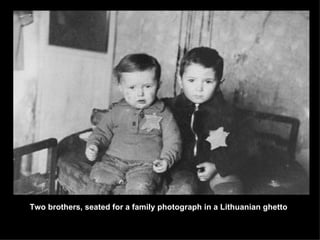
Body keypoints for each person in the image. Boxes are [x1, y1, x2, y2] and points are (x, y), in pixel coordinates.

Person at [164, 47, 255, 194]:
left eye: (208, 81)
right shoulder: (167, 108)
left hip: (218, 168)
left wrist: (217, 166)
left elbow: (247, 147)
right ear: (180, 80)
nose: (199, 88)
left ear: (219, 83)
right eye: (192, 80)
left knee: (231, 189)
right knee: (183, 189)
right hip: (182, 170)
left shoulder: (228, 113)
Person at [85, 53, 181, 194]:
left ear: (158, 85)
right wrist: (93, 145)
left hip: (146, 165)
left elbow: (174, 142)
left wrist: (166, 160)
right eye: (132, 88)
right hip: (112, 161)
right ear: (121, 87)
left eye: (147, 86)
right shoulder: (117, 110)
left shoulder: (164, 113)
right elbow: (101, 131)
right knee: (97, 180)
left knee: (141, 186)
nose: (140, 93)